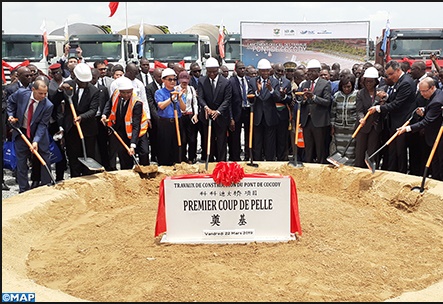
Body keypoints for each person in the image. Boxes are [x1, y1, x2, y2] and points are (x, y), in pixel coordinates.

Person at [367, 60, 417, 174]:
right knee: (393, 150)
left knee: (400, 151)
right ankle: (391, 172)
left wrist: (378, 108)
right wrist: (386, 96)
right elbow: (395, 97)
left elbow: (397, 104)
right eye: (387, 75)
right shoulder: (399, 81)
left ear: (398, 70)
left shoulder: (406, 83)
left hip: (402, 121)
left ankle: (401, 173)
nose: (389, 77)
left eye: (391, 74)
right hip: (394, 121)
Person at [52, 63, 100, 178]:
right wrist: (60, 90)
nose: (84, 84)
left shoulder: (94, 91)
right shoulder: (68, 86)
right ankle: (75, 179)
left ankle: (87, 179)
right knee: (73, 157)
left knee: (87, 155)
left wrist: (81, 117)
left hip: (87, 130)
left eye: (86, 82)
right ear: (76, 78)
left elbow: (93, 110)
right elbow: (54, 102)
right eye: (82, 81)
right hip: (71, 129)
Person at [6, 79, 54, 193]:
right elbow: (10, 102)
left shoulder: (48, 105)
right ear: (33, 90)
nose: (43, 96)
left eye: (45, 93)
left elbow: (43, 125)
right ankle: (23, 190)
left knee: (44, 159)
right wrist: (11, 115)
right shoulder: (21, 94)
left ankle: (46, 186)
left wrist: (36, 141)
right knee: (21, 162)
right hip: (21, 131)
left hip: (38, 134)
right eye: (40, 93)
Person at [397, 77, 443, 181]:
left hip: (438, 137)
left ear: (432, 88)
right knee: (435, 163)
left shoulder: (437, 101)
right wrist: (424, 109)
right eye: (420, 91)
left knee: (439, 163)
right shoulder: (438, 93)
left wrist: (408, 128)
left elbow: (426, 121)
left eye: (424, 91)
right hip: (433, 136)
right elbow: (430, 108)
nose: (422, 94)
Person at [101, 77, 150, 170]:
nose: (126, 95)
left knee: (144, 153)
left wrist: (132, 145)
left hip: (139, 131)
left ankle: (145, 174)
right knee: (124, 155)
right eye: (123, 92)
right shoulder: (116, 94)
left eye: (128, 92)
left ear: (132, 90)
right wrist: (104, 114)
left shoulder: (137, 103)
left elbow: (136, 125)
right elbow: (109, 104)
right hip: (122, 130)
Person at [197, 57, 232, 163]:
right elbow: (200, 97)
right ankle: (210, 162)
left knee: (221, 141)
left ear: (218, 70)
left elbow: (227, 99)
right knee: (208, 141)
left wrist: (218, 111)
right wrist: (206, 108)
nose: (212, 74)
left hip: (221, 117)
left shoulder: (226, 82)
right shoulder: (202, 81)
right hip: (207, 116)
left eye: (214, 71)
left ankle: (222, 163)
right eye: (209, 71)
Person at [298, 59, 332, 164]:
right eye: (309, 71)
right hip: (307, 121)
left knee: (320, 148)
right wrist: (303, 98)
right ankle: (308, 166)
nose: (310, 73)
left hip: (319, 121)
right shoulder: (305, 84)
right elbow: (300, 102)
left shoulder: (325, 84)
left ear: (318, 72)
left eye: (313, 71)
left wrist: (314, 97)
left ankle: (320, 167)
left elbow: (327, 101)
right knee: (308, 148)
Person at [248, 58, 281, 161]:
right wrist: (257, 92)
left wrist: (271, 90)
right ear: (259, 71)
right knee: (257, 142)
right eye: (263, 70)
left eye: (267, 70)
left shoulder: (274, 82)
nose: (265, 73)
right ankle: (257, 162)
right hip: (258, 117)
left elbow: (278, 98)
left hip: (270, 117)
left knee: (270, 143)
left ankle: (270, 163)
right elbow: (249, 97)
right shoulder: (253, 81)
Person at [154, 68, 186, 166]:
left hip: (177, 120)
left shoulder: (178, 91)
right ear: (163, 80)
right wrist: (171, 98)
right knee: (165, 146)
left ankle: (177, 163)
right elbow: (161, 106)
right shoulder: (159, 92)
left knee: (178, 145)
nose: (172, 81)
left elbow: (183, 108)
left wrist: (179, 98)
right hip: (165, 122)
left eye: (174, 79)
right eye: (170, 79)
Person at [354, 67, 385, 168]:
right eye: (367, 81)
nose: (368, 84)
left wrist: (382, 101)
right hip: (363, 126)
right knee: (360, 150)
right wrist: (361, 118)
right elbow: (359, 110)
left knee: (372, 151)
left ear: (376, 82)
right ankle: (359, 169)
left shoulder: (380, 92)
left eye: (371, 82)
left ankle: (371, 170)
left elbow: (384, 107)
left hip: (375, 126)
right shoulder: (360, 94)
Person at [329, 74, 358, 166]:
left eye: (348, 87)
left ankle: (350, 168)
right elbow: (333, 112)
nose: (346, 89)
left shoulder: (357, 95)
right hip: (339, 128)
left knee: (350, 150)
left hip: (351, 128)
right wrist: (332, 125)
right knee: (340, 149)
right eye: (344, 87)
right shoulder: (337, 96)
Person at [228, 60, 250, 161]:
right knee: (235, 136)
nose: (242, 70)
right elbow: (229, 101)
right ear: (236, 70)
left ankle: (248, 156)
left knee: (248, 134)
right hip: (237, 111)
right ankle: (236, 157)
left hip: (248, 111)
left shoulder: (249, 80)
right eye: (240, 68)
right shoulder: (231, 81)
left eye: (243, 68)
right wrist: (231, 118)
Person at [91, 68, 113, 171]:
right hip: (90, 119)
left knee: (103, 143)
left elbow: (108, 104)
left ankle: (106, 165)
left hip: (101, 119)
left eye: (94, 78)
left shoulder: (103, 89)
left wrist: (105, 116)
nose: (92, 80)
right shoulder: (88, 89)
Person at [176, 71, 199, 164]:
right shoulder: (176, 89)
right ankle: (182, 157)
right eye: (182, 82)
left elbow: (195, 103)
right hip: (180, 116)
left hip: (190, 115)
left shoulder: (191, 89)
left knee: (192, 139)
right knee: (183, 139)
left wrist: (195, 114)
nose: (184, 83)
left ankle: (192, 157)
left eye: (186, 81)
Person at [273, 63, 292, 161]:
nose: (280, 73)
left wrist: (283, 96)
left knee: (282, 138)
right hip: (271, 113)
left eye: (282, 71)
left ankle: (281, 158)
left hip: (283, 114)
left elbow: (289, 98)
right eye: (278, 71)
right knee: (271, 139)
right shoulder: (269, 81)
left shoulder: (287, 82)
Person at [145, 67, 163, 163]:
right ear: (154, 77)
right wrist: (157, 117)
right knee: (154, 138)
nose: (161, 79)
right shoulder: (149, 88)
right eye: (159, 77)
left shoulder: (165, 86)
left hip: (165, 118)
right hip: (155, 118)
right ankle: (154, 156)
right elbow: (150, 104)